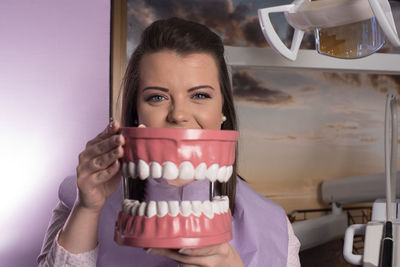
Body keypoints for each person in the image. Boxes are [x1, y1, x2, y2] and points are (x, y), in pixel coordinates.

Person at [38, 17, 300, 267]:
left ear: (223, 111)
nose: (179, 115)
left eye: (199, 95)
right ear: (135, 112)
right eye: (157, 97)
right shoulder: (79, 200)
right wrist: (87, 208)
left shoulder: (274, 227)